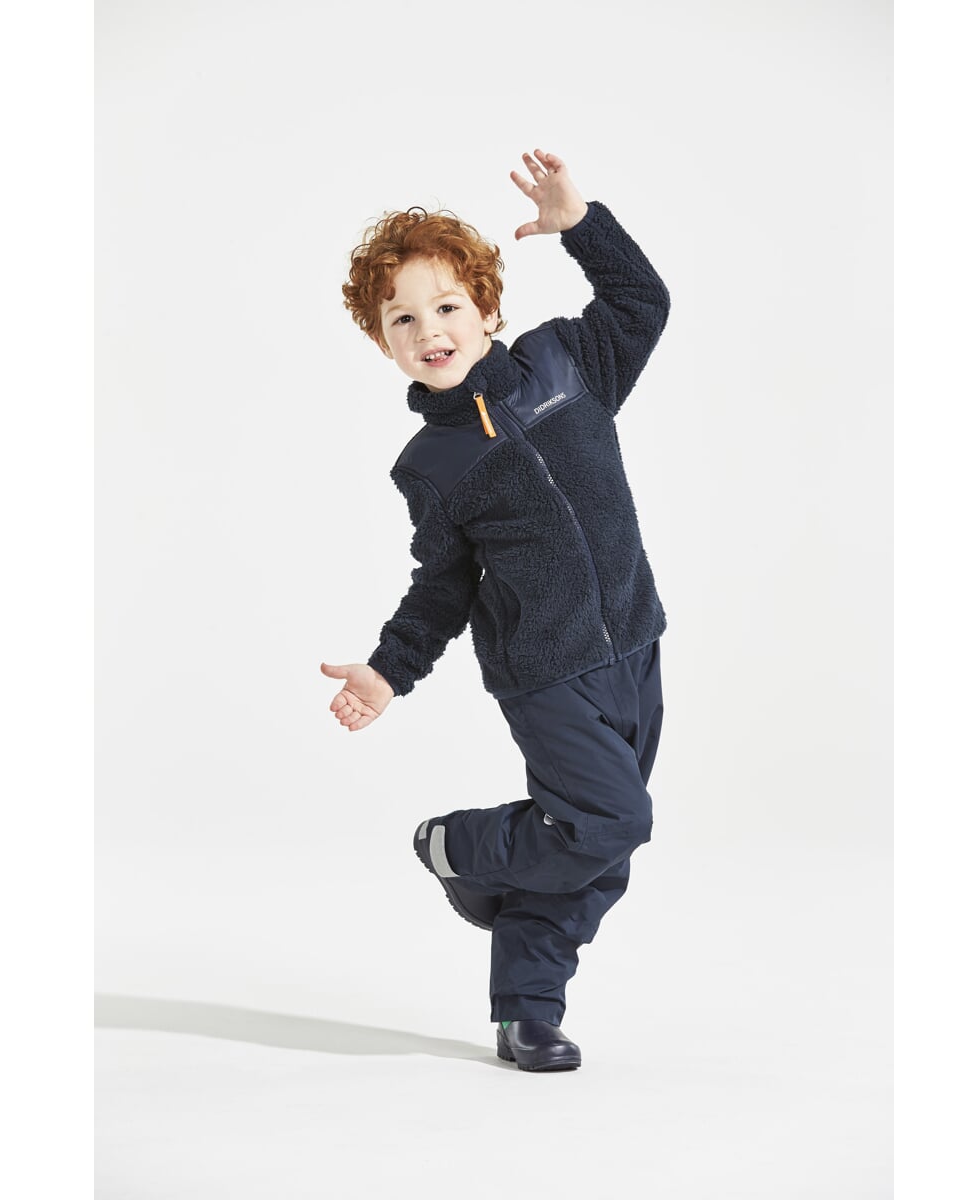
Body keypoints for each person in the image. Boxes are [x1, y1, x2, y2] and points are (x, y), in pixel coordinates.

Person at [321, 149, 669, 1072]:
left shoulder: (568, 362)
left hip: (635, 642)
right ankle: (462, 846)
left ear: (485, 307)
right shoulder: (430, 467)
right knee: (607, 824)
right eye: (402, 319)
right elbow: (444, 585)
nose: (429, 331)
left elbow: (642, 303)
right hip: (544, 672)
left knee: (596, 850)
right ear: (384, 343)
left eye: (445, 306)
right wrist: (388, 671)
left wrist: (581, 225)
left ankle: (526, 1013)